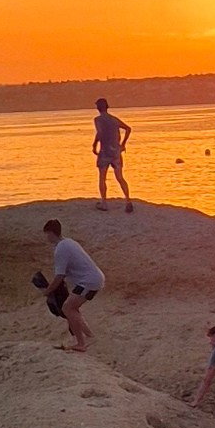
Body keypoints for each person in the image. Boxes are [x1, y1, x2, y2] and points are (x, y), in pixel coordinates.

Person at [33, 220, 104, 353]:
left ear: (51, 233)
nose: (46, 237)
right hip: (93, 279)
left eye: (46, 234)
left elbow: (59, 276)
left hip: (89, 282)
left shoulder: (61, 249)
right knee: (73, 307)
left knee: (67, 308)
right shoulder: (69, 242)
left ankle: (80, 344)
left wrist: (48, 291)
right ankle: (89, 335)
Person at [91, 98, 134, 208]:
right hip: (115, 152)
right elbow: (128, 129)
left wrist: (94, 145)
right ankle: (128, 200)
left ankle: (104, 202)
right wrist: (122, 144)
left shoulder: (98, 120)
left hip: (105, 152)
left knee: (102, 177)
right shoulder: (114, 120)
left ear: (98, 108)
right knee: (120, 177)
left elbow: (99, 133)